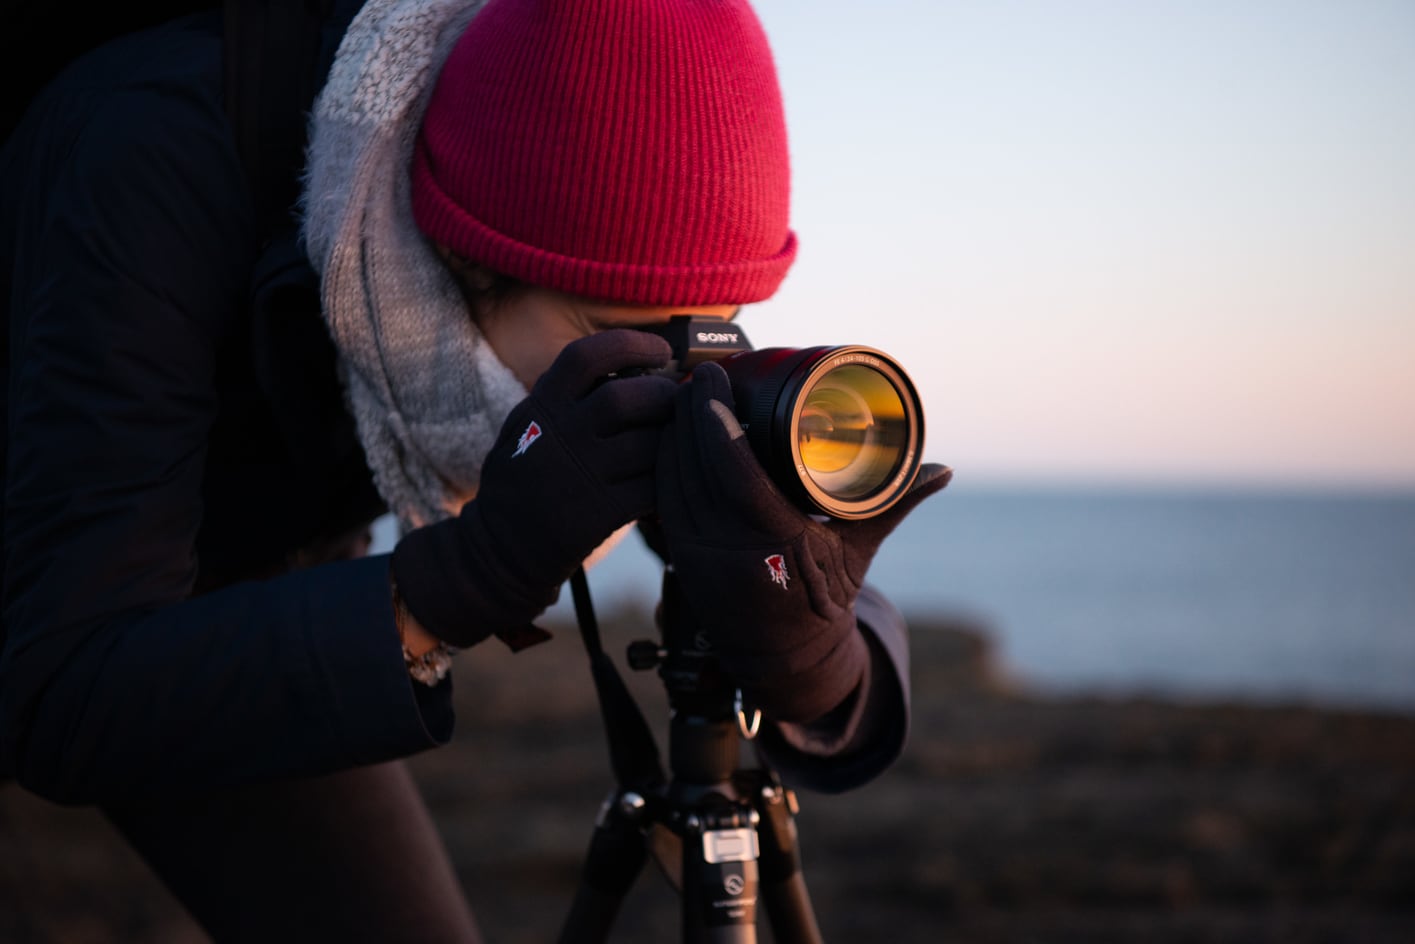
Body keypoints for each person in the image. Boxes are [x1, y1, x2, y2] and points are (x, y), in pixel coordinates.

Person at [0, 0, 951, 939]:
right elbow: (58, 690)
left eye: (705, 332)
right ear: (461, 257)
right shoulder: (150, 158)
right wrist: (461, 581)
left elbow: (696, 470)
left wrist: (821, 655)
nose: (664, 379)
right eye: (607, 336)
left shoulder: (536, 263)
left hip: (256, 564)